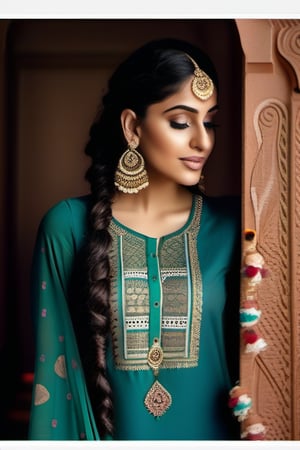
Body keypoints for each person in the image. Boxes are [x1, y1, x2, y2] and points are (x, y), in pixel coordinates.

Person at [28, 38, 241, 440]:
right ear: (132, 127)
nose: (203, 141)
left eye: (209, 121)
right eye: (181, 122)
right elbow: (54, 384)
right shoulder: (67, 226)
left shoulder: (236, 226)